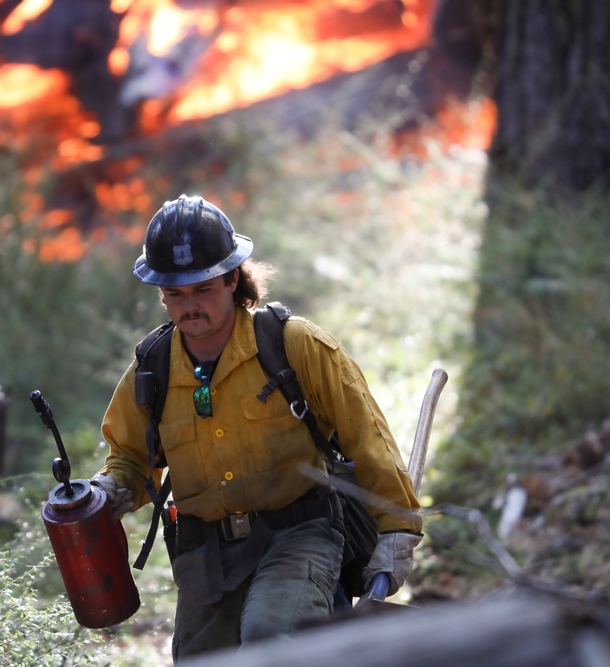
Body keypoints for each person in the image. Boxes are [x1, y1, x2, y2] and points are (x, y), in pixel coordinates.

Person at [94, 195, 423, 661]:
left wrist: (396, 530)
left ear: (233, 279)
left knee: (273, 638)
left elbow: (367, 438)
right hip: (204, 554)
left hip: (299, 534)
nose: (190, 306)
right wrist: (108, 491)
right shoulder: (152, 370)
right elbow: (130, 459)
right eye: (176, 294)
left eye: (203, 289)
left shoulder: (295, 346)